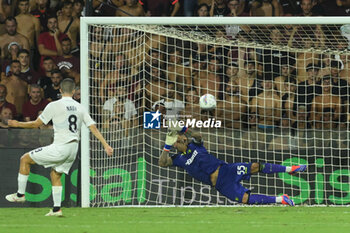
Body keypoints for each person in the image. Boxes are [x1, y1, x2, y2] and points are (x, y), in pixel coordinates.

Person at [5, 78, 113, 216]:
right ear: (74, 91)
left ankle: (20, 195)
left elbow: (36, 124)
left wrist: (17, 124)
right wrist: (106, 145)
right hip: (73, 149)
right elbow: (93, 127)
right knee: (55, 174)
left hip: (60, 147)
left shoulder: (54, 105)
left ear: (60, 90)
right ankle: (57, 209)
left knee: (25, 159)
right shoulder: (80, 107)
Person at [159, 126, 306, 206]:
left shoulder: (194, 145)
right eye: (175, 142)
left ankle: (290, 169)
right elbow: (162, 163)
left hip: (226, 170)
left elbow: (198, 136)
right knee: (245, 199)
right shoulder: (178, 159)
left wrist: (184, 129)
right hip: (220, 184)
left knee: (255, 166)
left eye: (179, 139)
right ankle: (282, 199)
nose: (179, 141)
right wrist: (166, 146)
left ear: (184, 138)